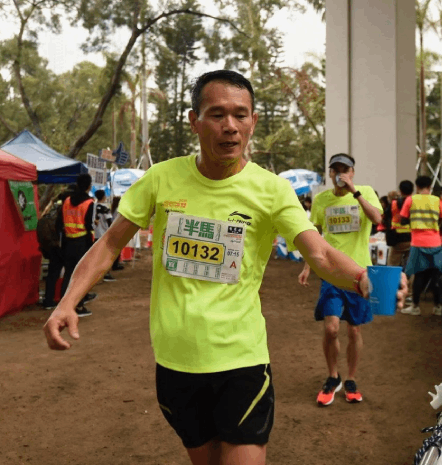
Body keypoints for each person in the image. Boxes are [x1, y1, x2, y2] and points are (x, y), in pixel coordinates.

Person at [43, 70, 407, 465]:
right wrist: (68, 301)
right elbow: (110, 243)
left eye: (241, 115)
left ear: (252, 121)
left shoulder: (272, 190)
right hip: (175, 362)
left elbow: (318, 253)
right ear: (194, 121)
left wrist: (362, 279)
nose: (230, 126)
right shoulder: (161, 178)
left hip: (241, 360)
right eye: (217, 114)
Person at [298, 153, 384, 407]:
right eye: (335, 169)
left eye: (344, 169)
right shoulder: (322, 200)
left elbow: (378, 220)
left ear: (352, 172)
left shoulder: (366, 192)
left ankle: (351, 379)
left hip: (359, 274)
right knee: (331, 327)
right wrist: (308, 266)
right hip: (331, 274)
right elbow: (314, 237)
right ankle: (332, 376)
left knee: (353, 328)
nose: (339, 174)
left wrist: (355, 192)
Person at [399, 175, 442, 316]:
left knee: (419, 275)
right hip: (435, 242)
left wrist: (414, 222)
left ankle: (415, 307)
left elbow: (402, 220)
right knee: (435, 275)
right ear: (430, 187)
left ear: (417, 187)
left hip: (418, 242)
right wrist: (439, 231)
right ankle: (438, 307)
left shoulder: (411, 200)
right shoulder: (436, 200)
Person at [56, 173, 95, 317]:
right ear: (89, 185)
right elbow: (88, 225)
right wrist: (90, 244)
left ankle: (63, 304)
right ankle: (78, 306)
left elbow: (60, 223)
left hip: (67, 242)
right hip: (81, 242)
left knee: (68, 273)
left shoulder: (66, 201)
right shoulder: (88, 202)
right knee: (81, 275)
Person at [37, 190, 70, 309]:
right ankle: (62, 300)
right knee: (68, 273)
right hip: (59, 246)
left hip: (49, 246)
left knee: (52, 274)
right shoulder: (64, 210)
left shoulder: (51, 209)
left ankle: (48, 299)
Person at [387, 180, 413, 270]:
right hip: (412, 239)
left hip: (397, 239)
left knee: (392, 266)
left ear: (400, 190)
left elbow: (385, 218)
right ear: (412, 191)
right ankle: (409, 284)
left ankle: (392, 283)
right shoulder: (415, 203)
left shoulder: (393, 204)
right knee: (411, 267)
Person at [93, 189, 116, 282]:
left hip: (95, 234)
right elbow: (110, 221)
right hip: (104, 234)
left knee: (96, 255)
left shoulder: (93, 206)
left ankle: (96, 274)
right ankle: (105, 274)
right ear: (103, 196)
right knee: (105, 255)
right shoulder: (105, 208)